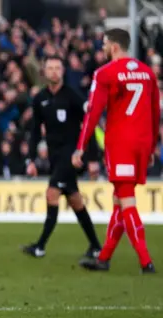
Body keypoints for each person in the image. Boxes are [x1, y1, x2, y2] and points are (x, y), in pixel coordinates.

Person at [73, 28, 158, 273]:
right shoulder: (147, 72)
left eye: (104, 44)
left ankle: (145, 260)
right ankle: (104, 257)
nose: (102, 49)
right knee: (120, 201)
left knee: (127, 200)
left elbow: (93, 113)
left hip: (121, 142)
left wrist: (81, 147)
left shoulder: (106, 73)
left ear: (114, 46)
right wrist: (151, 146)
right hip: (142, 142)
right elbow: (155, 113)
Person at [23, 56, 102, 260]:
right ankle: (95, 246)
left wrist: (92, 157)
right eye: (50, 68)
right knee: (75, 201)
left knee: (52, 194)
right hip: (55, 156)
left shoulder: (73, 95)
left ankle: (40, 247)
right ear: (45, 72)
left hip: (72, 155)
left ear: (63, 70)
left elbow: (89, 124)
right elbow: (34, 131)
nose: (54, 71)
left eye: (58, 68)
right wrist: (31, 159)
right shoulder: (40, 98)